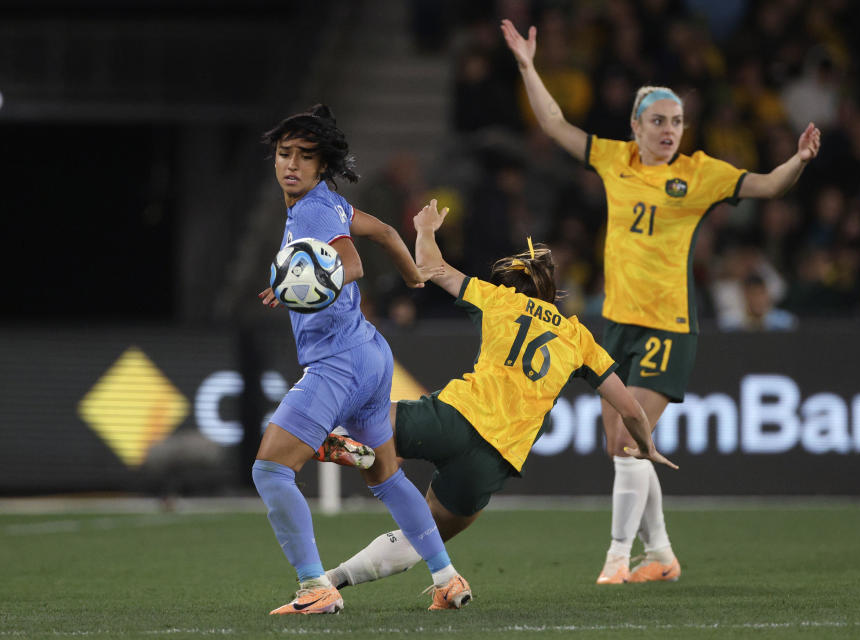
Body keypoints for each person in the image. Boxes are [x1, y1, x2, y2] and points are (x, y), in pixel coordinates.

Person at [501, 19, 822, 585]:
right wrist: (529, 65)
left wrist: (797, 161)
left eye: (676, 121)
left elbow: (769, 186)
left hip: (669, 328)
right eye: (658, 121)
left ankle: (617, 559)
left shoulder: (700, 175)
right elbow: (553, 124)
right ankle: (663, 554)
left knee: (629, 442)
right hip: (616, 325)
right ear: (636, 127)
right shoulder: (612, 159)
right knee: (619, 446)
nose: (669, 130)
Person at [320, 199, 677, 592]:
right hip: (495, 458)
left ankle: (346, 446)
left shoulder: (499, 301)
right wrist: (647, 446)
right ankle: (335, 580)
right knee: (424, 536)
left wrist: (425, 229)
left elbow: (431, 267)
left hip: (454, 416)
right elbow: (629, 408)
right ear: (552, 291)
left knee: (368, 421)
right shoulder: (579, 338)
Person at [253, 104, 471, 614]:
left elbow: (351, 262)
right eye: (285, 154)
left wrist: (308, 283)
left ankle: (315, 587)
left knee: (270, 470)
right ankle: (446, 578)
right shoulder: (330, 202)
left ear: (322, 166)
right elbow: (391, 236)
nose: (292, 165)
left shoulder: (310, 209)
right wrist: (416, 278)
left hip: (339, 365)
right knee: (387, 478)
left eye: (305, 158)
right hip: (372, 356)